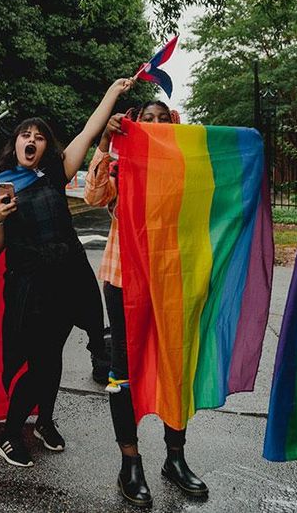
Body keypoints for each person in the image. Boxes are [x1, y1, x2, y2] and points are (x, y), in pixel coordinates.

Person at [0, 77, 134, 468]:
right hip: (30, 287)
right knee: (40, 363)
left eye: (39, 136)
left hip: (68, 281)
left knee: (52, 359)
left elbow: (89, 129)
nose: (31, 140)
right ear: (15, 144)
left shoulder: (53, 174)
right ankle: (10, 434)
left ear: (46, 146)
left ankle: (45, 422)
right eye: (24, 135)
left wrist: (112, 93)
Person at [84, 100, 207, 506]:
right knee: (124, 369)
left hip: (173, 281)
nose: (153, 125)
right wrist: (104, 141)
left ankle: (176, 458)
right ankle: (129, 464)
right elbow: (92, 195)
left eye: (162, 119)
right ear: (134, 126)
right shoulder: (123, 164)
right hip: (123, 280)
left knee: (175, 364)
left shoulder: (184, 168)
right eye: (146, 120)